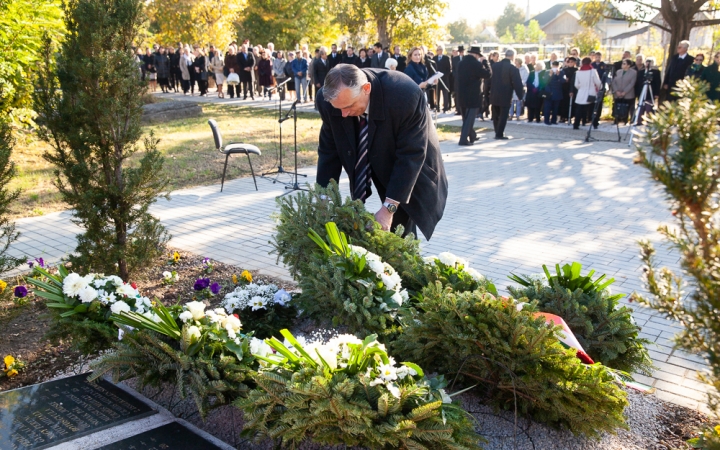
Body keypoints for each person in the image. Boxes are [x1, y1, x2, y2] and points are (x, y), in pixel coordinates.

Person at [316, 64, 448, 240]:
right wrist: (323, 199)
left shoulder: (404, 95)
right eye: (339, 109)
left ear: (367, 89)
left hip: (407, 166)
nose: (344, 115)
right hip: (370, 154)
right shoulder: (329, 101)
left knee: (399, 229)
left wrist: (388, 208)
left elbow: (410, 155)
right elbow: (328, 152)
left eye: (349, 106)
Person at [456, 46, 491, 146]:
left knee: (465, 118)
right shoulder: (476, 64)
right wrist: (486, 63)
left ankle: (472, 136)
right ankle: (463, 140)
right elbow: (488, 74)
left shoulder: (460, 63)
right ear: (476, 55)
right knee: (469, 119)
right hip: (473, 95)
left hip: (461, 94)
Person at [489, 49, 524, 140]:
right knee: (503, 115)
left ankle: (497, 131)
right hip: (505, 95)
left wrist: (487, 92)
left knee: (495, 114)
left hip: (494, 94)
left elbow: (488, 80)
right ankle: (499, 134)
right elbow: (517, 83)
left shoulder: (494, 66)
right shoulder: (512, 68)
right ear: (512, 56)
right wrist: (520, 95)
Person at [572, 57, 602, 130]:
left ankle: (576, 125)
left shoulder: (578, 72)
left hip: (581, 92)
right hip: (591, 92)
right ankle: (594, 124)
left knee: (579, 110)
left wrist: (581, 88)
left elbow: (576, 84)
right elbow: (598, 83)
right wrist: (600, 88)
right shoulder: (593, 71)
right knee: (592, 110)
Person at [611, 59, 637, 124]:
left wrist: (624, 92)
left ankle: (625, 120)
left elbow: (632, 83)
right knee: (617, 106)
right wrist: (616, 91)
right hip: (618, 93)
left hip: (628, 94)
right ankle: (616, 119)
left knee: (627, 107)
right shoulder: (618, 71)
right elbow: (614, 81)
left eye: (624, 63)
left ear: (628, 65)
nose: (622, 65)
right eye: (622, 63)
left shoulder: (634, 72)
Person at [433, 44, 452, 113]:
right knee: (437, 93)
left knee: (445, 94)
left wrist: (444, 76)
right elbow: (433, 68)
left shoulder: (446, 58)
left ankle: (445, 108)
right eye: (437, 49)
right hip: (437, 79)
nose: (438, 51)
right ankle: (437, 107)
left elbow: (449, 69)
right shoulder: (434, 58)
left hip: (444, 79)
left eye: (440, 49)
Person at [560, 57, 577, 123]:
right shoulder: (564, 70)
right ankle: (563, 117)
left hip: (573, 88)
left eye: (572, 62)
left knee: (572, 103)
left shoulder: (576, 70)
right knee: (564, 103)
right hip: (565, 88)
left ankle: (571, 116)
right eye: (569, 62)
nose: (570, 63)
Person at [452, 45, 465, 116]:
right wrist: (455, 75)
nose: (461, 53)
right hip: (457, 79)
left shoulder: (466, 58)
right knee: (457, 94)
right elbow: (453, 69)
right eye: (460, 52)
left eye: (462, 52)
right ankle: (458, 109)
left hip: (464, 79)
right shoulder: (455, 59)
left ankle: (463, 109)